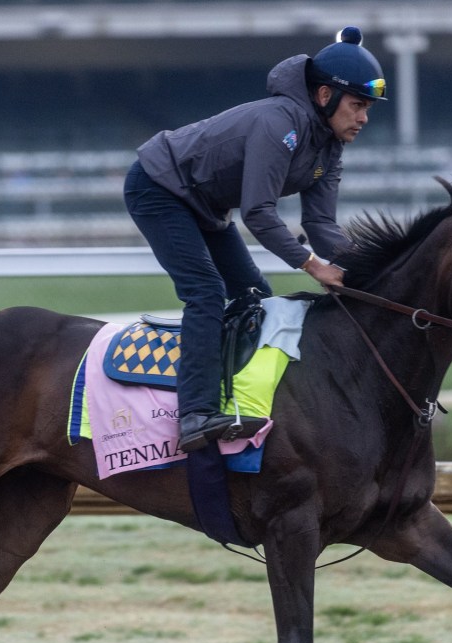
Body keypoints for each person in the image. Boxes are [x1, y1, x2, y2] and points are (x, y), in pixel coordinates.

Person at [124, 26, 386, 453]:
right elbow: (259, 214)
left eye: (368, 108)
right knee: (206, 293)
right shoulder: (279, 122)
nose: (364, 118)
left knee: (255, 296)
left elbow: (321, 225)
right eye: (357, 105)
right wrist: (313, 265)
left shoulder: (329, 147)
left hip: (205, 204)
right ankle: (195, 413)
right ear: (325, 97)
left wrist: (365, 269)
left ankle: (239, 399)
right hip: (158, 187)